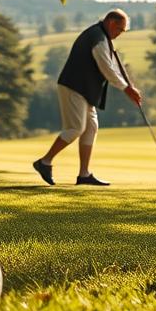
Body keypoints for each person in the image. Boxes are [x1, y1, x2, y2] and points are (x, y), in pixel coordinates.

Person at [32, 9, 142, 186]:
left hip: (84, 90)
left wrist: (128, 87)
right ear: (111, 23)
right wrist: (126, 89)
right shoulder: (98, 38)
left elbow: (110, 67)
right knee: (76, 128)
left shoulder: (102, 37)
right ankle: (44, 162)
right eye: (120, 30)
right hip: (74, 86)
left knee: (90, 128)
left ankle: (84, 174)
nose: (119, 34)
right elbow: (107, 69)